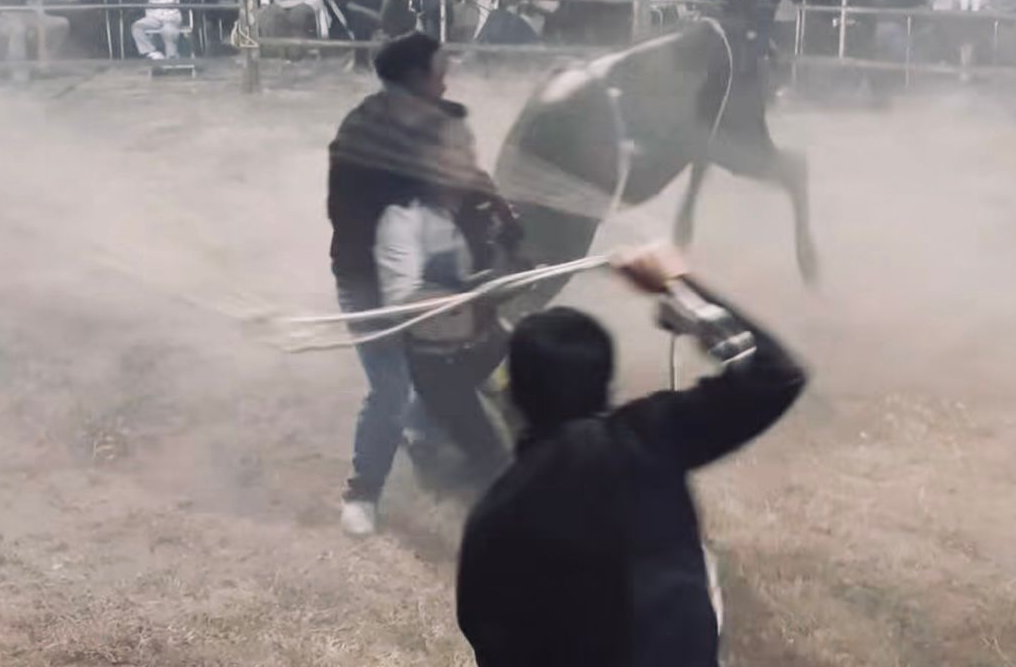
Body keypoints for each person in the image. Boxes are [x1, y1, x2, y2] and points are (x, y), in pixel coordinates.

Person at [457, 244, 808, 667]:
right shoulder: (648, 439)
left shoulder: (494, 515)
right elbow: (775, 375)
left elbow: (491, 639)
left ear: (514, 397)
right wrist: (680, 289)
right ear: (607, 383)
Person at [328, 33, 518, 536]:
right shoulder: (362, 138)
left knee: (479, 347)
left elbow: (466, 172)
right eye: (439, 71)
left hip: (431, 266)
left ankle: (428, 436)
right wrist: (417, 294)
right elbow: (368, 230)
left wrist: (494, 212)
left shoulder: (436, 121)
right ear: (414, 79)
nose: (446, 79)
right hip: (368, 280)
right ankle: (363, 492)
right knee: (390, 386)